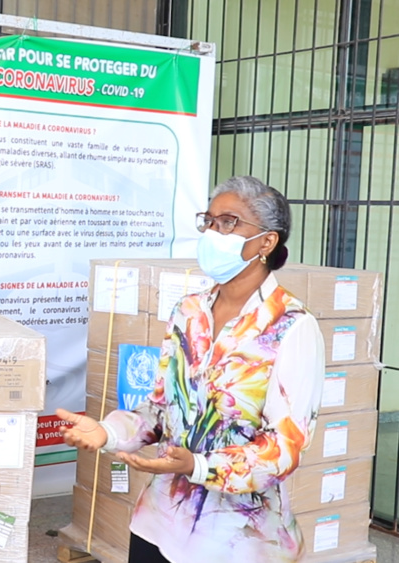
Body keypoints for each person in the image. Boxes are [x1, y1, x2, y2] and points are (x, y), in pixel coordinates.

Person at [58, 176, 325, 562]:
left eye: (229, 222)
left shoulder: (292, 327)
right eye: (210, 221)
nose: (214, 233)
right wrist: (107, 432)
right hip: (157, 522)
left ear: (267, 242)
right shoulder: (189, 311)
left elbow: (283, 448)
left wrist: (199, 466)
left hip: (236, 541)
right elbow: (159, 411)